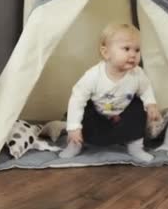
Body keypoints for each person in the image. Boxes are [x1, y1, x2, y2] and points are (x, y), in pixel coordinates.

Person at [59, 23, 162, 162]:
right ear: (106, 53)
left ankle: (135, 146)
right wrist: (73, 127)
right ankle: (74, 143)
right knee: (82, 109)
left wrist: (151, 104)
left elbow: (146, 88)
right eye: (126, 49)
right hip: (98, 116)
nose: (133, 54)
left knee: (138, 107)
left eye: (137, 50)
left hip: (122, 115)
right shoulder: (93, 76)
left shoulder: (137, 74)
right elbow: (77, 99)